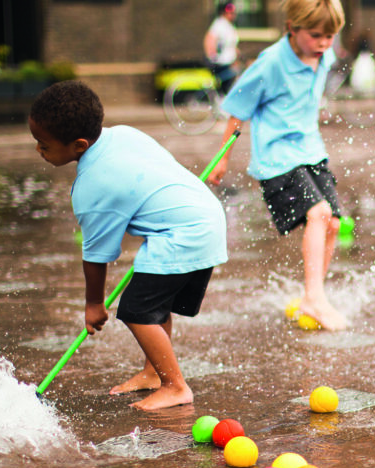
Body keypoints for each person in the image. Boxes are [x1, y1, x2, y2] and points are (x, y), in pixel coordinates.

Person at [28, 80, 228, 411]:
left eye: (44, 145)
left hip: (183, 234)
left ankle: (175, 386)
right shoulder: (121, 133)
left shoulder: (92, 186)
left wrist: (94, 303)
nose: (39, 150)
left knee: (137, 311)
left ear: (78, 145)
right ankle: (154, 372)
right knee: (155, 304)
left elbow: (96, 255)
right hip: (204, 217)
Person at [208, 0, 348, 331]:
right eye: (316, 36)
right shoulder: (270, 64)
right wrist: (222, 158)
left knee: (331, 224)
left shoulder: (324, 55)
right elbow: (238, 109)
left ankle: (314, 294)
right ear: (291, 27)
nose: (324, 44)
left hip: (312, 150)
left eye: (330, 36)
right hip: (277, 157)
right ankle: (313, 297)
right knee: (319, 214)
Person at [203, 2, 239, 95]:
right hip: (221, 62)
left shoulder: (229, 25)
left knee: (228, 85)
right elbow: (209, 39)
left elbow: (230, 44)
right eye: (230, 13)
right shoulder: (219, 24)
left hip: (229, 61)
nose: (233, 15)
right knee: (224, 86)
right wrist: (212, 55)